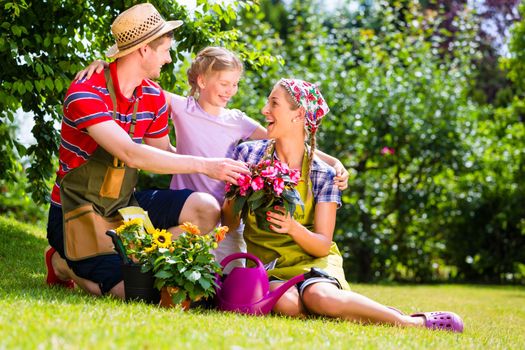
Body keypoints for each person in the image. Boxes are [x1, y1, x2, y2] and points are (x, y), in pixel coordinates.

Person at [222, 78, 464, 332]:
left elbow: (322, 244)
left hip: (313, 260)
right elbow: (230, 222)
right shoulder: (249, 156)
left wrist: (292, 228)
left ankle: (410, 322)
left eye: (273, 103)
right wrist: (235, 196)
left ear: (299, 114)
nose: (264, 110)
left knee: (320, 297)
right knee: (287, 305)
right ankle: (342, 312)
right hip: (269, 265)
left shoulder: (322, 173)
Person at [75, 47, 349, 267]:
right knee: (174, 271)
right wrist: (101, 65)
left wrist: (332, 162)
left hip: (227, 221)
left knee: (227, 284)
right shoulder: (182, 107)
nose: (230, 90)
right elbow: (136, 77)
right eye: (224, 83)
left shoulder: (238, 121)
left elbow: (287, 137)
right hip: (185, 214)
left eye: (235, 84)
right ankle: (132, 256)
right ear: (202, 80)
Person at [45, 3, 250, 299]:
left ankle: (140, 256)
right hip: (75, 211)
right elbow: (130, 153)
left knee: (206, 209)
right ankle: (62, 263)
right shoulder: (86, 93)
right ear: (143, 50)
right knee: (135, 293)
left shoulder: (152, 96)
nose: (168, 59)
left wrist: (216, 168)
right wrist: (205, 165)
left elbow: (162, 153)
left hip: (124, 205)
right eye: (165, 49)